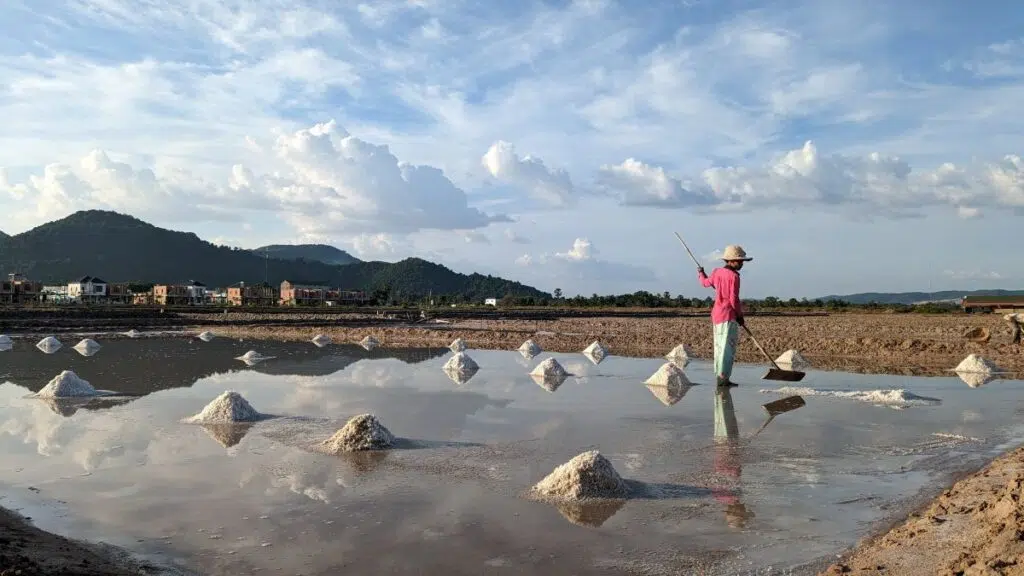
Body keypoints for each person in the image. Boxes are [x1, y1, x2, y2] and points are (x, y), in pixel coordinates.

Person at [698, 245, 752, 387]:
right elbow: (734, 299)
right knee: (727, 348)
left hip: (717, 314)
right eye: (739, 261)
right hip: (728, 315)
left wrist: (701, 273)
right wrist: (740, 316)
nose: (741, 264)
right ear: (731, 261)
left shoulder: (716, 272)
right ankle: (723, 379)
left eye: (742, 262)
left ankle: (720, 376)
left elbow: (705, 283)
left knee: (719, 347)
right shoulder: (734, 277)